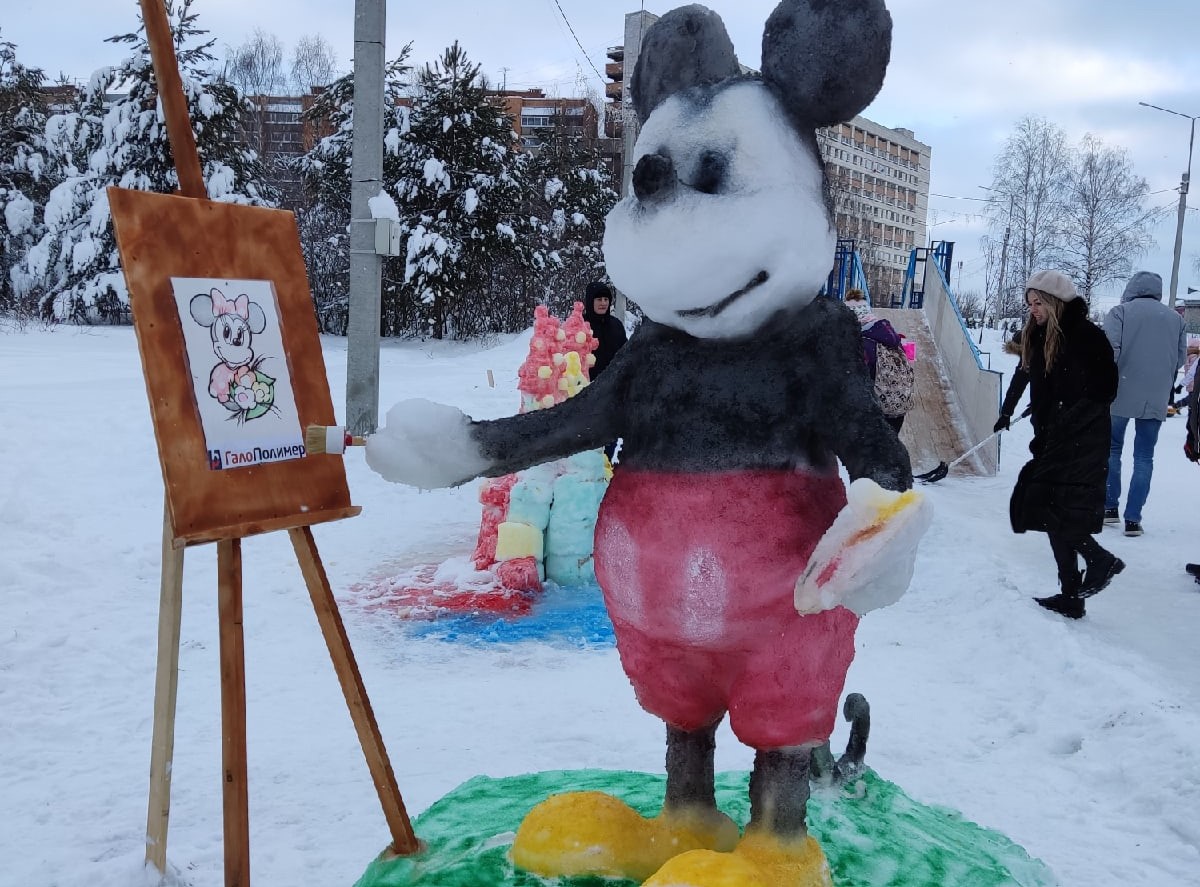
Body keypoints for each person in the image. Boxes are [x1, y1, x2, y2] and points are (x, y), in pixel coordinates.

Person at [999, 270, 1122, 619]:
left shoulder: (1086, 336)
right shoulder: (1037, 334)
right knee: (1048, 506)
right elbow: (1024, 373)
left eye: (1039, 303)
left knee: (1051, 505)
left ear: (1055, 302)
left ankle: (1098, 560)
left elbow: (1105, 390)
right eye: (1030, 304)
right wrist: (1006, 412)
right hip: (1052, 435)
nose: (1033, 309)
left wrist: (1066, 418)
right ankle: (1072, 593)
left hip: (1081, 438)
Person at [1102, 271, 1187, 536]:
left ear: (1132, 288)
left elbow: (1108, 353)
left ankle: (1109, 508)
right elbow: (1181, 358)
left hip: (1120, 392)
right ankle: (1133, 519)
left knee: (1112, 449)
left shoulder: (1120, 312)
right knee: (1144, 456)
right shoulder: (1175, 319)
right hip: (1156, 395)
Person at [845, 291, 911, 433]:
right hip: (897, 409)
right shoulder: (891, 335)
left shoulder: (860, 344)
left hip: (874, 412)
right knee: (889, 450)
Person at [583, 280, 628, 461]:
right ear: (589, 301)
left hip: (612, 391)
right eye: (598, 299)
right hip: (587, 390)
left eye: (605, 299)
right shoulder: (581, 327)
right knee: (589, 437)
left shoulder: (616, 326)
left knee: (611, 434)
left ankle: (607, 465)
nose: (603, 303)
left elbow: (625, 355)